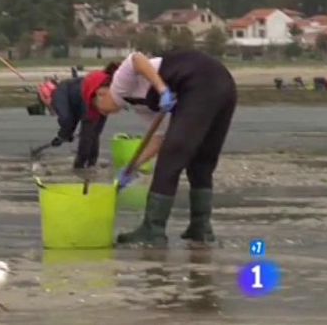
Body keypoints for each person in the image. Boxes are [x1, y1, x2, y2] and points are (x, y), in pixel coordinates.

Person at [94, 50, 237, 246]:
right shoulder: (141, 105)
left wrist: (162, 90)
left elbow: (136, 58)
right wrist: (131, 167)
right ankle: (200, 227)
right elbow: (159, 137)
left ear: (103, 90)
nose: (102, 109)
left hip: (200, 79)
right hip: (221, 85)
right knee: (201, 161)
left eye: (99, 102)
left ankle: (153, 230)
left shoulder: (119, 82)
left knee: (169, 162)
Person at [42, 62, 119, 169]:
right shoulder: (99, 87)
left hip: (84, 96)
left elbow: (94, 133)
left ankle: (91, 164)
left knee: (94, 133)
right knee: (73, 125)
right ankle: (80, 166)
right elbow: (85, 134)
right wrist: (65, 134)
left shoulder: (112, 89)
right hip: (66, 91)